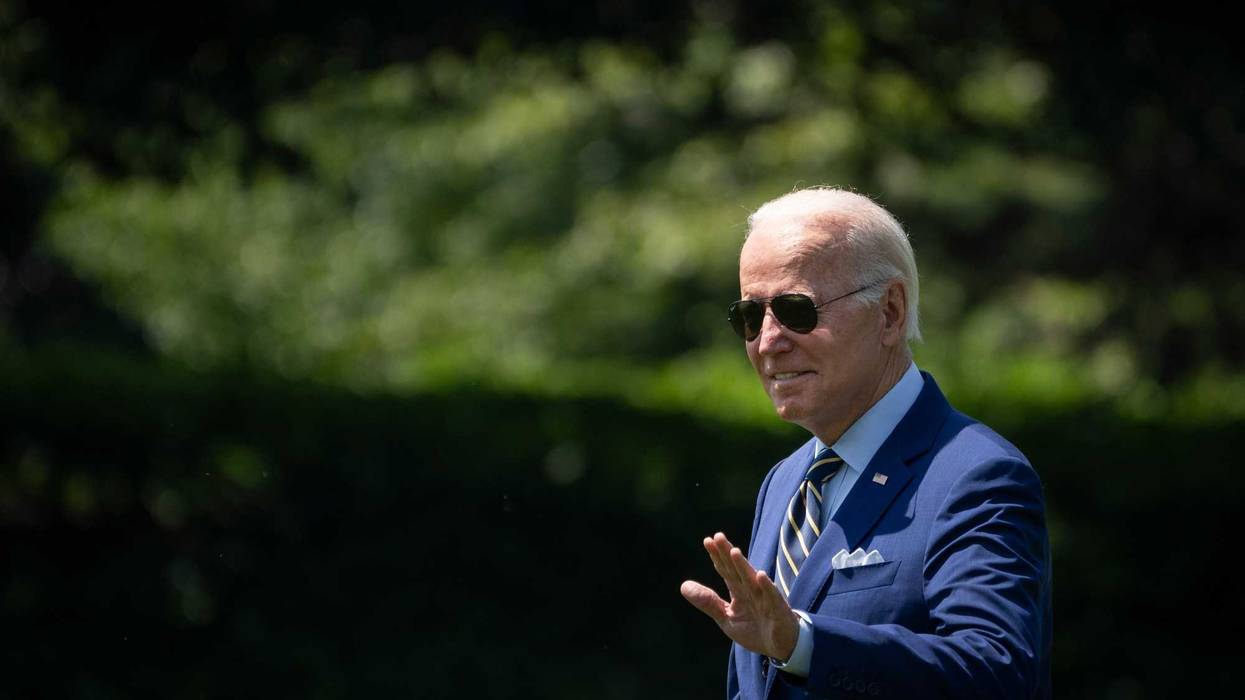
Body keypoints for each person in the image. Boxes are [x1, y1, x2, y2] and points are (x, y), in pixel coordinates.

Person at [679, 188, 1052, 699]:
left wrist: (804, 643)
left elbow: (995, 672)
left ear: (890, 313)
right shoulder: (786, 481)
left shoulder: (975, 473)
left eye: (796, 310)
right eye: (749, 316)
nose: (768, 340)